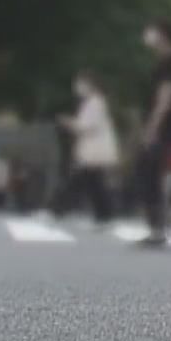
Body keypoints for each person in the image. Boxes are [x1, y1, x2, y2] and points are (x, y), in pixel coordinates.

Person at [133, 20, 171, 247]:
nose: (147, 35)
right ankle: (157, 227)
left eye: (151, 31)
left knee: (149, 174)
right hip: (162, 128)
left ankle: (158, 228)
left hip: (162, 129)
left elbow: (165, 99)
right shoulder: (165, 63)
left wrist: (151, 129)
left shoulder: (168, 64)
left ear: (162, 36)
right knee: (150, 174)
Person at [56, 72, 119, 227]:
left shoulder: (95, 102)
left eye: (80, 84)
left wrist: (68, 122)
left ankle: (57, 210)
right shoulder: (94, 102)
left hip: (94, 150)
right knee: (94, 184)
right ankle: (104, 216)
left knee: (80, 181)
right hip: (93, 150)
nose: (77, 88)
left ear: (90, 85)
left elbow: (86, 126)